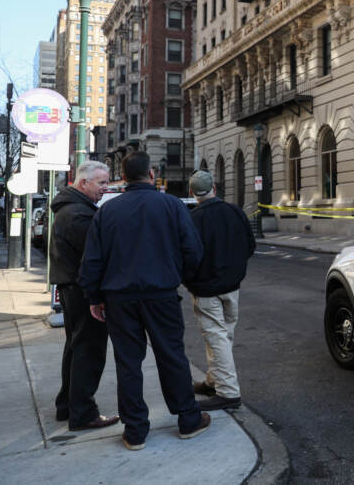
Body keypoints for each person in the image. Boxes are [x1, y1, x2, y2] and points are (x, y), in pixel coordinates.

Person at [79, 151, 210, 451]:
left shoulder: (106, 211)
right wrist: (175, 275)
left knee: (128, 363)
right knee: (172, 356)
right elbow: (193, 250)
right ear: (151, 174)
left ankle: (135, 430)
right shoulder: (171, 205)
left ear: (122, 178)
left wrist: (95, 296)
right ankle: (188, 419)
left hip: (119, 299)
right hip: (160, 294)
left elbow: (93, 261)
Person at [50, 161, 119, 431]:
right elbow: (95, 259)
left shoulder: (72, 210)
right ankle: (83, 413)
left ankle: (67, 405)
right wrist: (97, 297)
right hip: (81, 291)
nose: (106, 188)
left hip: (73, 288)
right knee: (88, 351)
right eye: (101, 183)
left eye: (107, 182)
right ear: (83, 183)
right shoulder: (78, 215)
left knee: (76, 347)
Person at [185, 170, 256, 410]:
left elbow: (186, 257)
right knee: (223, 337)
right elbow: (250, 245)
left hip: (206, 290)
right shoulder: (235, 212)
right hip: (231, 287)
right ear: (214, 188)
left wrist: (191, 282)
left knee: (216, 338)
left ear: (193, 193)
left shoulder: (192, 219)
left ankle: (228, 392)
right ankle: (213, 381)